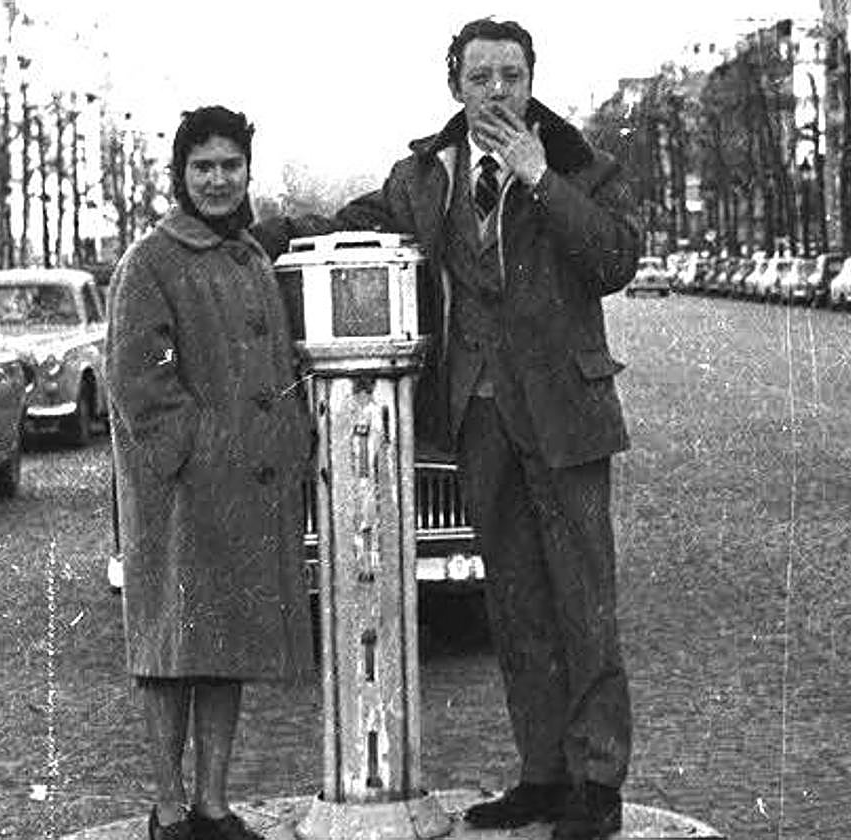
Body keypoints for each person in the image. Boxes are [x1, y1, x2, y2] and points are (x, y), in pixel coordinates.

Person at [254, 18, 638, 840]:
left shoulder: (582, 164)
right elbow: (350, 221)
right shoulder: (424, 175)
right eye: (480, 77)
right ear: (454, 85)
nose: (496, 91)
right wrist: (254, 240)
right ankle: (543, 774)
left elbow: (615, 261)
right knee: (515, 601)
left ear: (532, 79)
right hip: (478, 413)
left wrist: (540, 177)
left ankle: (598, 782)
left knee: (585, 601)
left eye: (511, 76)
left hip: (566, 413)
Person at [107, 106, 314, 840]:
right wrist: (202, 452)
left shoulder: (251, 256)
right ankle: (168, 812)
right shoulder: (150, 261)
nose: (218, 180)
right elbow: (139, 382)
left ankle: (213, 805)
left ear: (248, 171)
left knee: (224, 649)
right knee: (171, 653)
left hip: (239, 493)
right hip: (179, 497)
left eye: (231, 165)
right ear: (181, 174)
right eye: (203, 167)